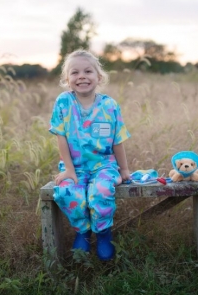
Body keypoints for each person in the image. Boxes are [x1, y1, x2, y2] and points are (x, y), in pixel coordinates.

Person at [49, 50, 131, 261]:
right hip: (74, 166)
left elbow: (117, 140)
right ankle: (83, 231)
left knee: (101, 191)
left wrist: (124, 169)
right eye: (75, 72)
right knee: (67, 192)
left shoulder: (109, 106)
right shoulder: (64, 103)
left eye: (88, 71)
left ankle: (103, 233)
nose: (82, 76)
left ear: (99, 77)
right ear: (67, 80)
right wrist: (68, 169)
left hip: (104, 166)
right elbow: (61, 137)